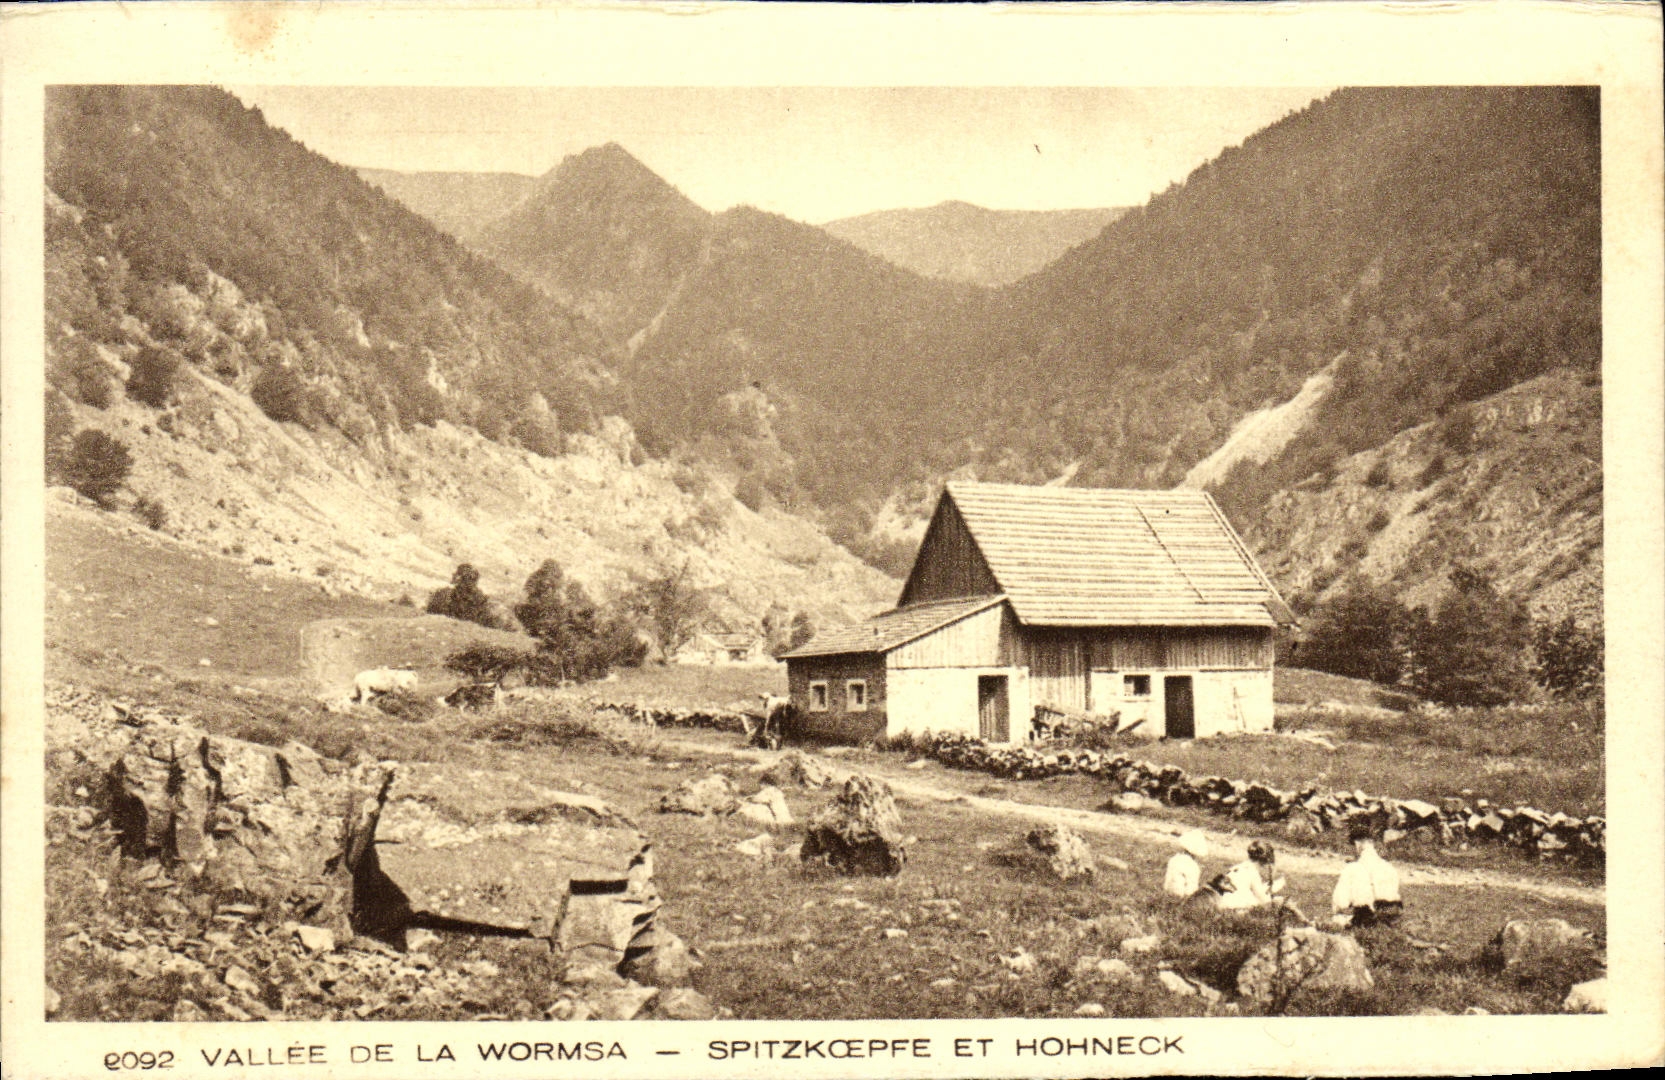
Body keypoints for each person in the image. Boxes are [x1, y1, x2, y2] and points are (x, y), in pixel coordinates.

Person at [1330, 820, 1403, 928]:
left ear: (1357, 844)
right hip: (1393, 916)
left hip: (1368, 918)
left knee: (1338, 919)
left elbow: (1341, 903)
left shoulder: (1353, 868)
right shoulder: (1389, 867)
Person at [1207, 839, 1286, 911]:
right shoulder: (1253, 872)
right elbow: (1266, 903)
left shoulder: (1237, 867)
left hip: (1219, 903)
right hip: (1232, 908)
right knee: (1277, 902)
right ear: (1266, 863)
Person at [1164, 830, 1209, 898]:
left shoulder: (1175, 859)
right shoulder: (1193, 866)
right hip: (1182, 895)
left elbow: (1167, 881)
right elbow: (1191, 888)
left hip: (1169, 892)